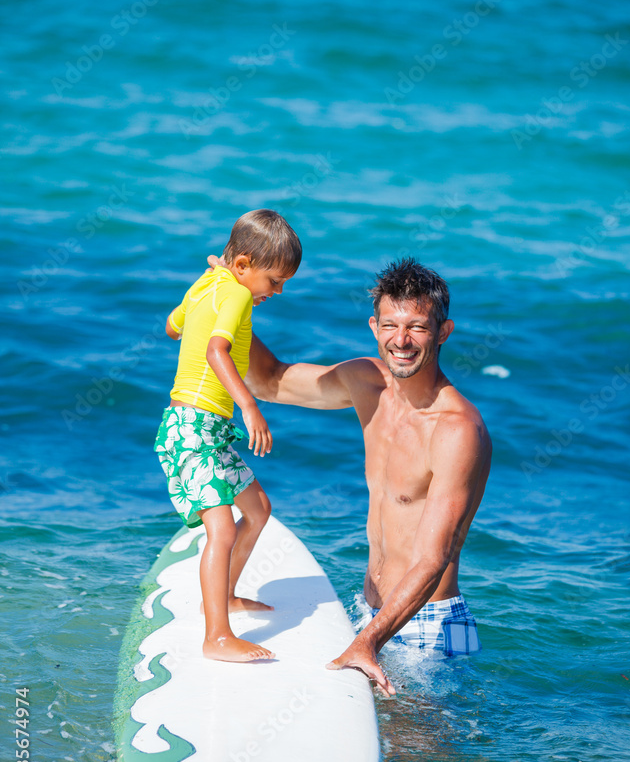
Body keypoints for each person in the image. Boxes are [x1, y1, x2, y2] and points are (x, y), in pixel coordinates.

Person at [204, 254, 491, 695]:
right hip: (369, 611)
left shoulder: (457, 430)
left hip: (428, 629)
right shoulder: (366, 382)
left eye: (416, 327)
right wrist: (227, 298)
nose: (402, 340)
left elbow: (434, 559)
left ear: (443, 332)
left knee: (421, 757)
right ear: (374, 327)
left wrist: (367, 642)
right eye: (390, 326)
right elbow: (269, 380)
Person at [155, 209, 301, 663]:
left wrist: (212, 283)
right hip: (195, 424)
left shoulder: (208, 285)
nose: (276, 292)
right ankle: (216, 635)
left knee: (257, 509)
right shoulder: (235, 294)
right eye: (274, 281)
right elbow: (217, 350)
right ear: (241, 266)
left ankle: (226, 596)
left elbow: (172, 327)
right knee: (220, 530)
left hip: (201, 428)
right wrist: (251, 405)